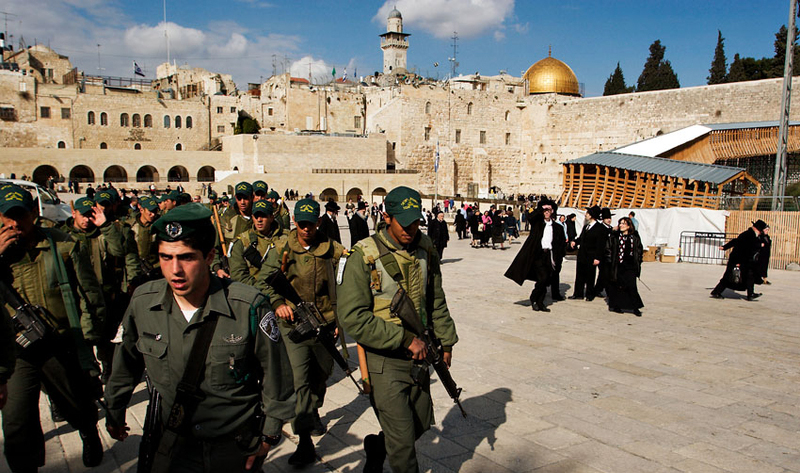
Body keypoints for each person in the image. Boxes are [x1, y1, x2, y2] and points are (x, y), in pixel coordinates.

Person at [104, 203, 295, 473]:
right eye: (165, 258)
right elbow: (127, 362)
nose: (175, 270)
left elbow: (277, 374)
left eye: (186, 257)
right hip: (172, 444)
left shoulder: (247, 306)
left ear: (208, 257)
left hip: (233, 448)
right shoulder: (144, 302)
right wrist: (115, 407)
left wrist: (269, 436)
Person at [337, 186, 458, 473]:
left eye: (415, 221)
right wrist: (403, 339)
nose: (411, 228)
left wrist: (447, 342)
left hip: (420, 355)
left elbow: (435, 299)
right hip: (384, 358)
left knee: (419, 422)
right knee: (403, 445)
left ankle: (379, 447)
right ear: (387, 217)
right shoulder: (363, 256)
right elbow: (352, 317)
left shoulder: (425, 248)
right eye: (404, 222)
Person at [0, 185, 106, 471]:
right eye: (6, 217)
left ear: (35, 213)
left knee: (76, 404)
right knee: (16, 420)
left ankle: (88, 430)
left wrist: (88, 340)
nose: (13, 224)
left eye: (20, 215)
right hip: (17, 351)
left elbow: (90, 295)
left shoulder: (62, 245)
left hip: (58, 343)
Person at [255, 198, 345, 466]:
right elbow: (263, 280)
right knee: (301, 380)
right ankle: (304, 439)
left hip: (325, 324)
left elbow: (348, 273)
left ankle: (312, 410)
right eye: (301, 224)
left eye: (311, 224)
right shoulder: (283, 247)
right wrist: (279, 303)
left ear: (319, 222)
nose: (306, 229)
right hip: (295, 326)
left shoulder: (330, 248)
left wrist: (341, 317)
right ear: (295, 222)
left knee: (322, 374)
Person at [504, 198, 566, 312]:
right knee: (543, 278)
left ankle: (540, 302)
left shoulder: (557, 227)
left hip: (550, 256)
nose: (547, 212)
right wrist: (540, 208)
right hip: (538, 255)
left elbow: (561, 244)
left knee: (546, 280)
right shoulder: (537, 224)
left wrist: (560, 257)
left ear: (552, 212)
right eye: (545, 211)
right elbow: (530, 217)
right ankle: (534, 298)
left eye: (549, 210)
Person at [229, 200, 286, 287]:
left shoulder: (286, 238)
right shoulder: (243, 242)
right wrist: (262, 288)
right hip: (255, 293)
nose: (259, 220)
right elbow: (238, 275)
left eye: (263, 216)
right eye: (256, 216)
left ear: (271, 217)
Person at [710, 220, 766, 301]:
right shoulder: (748, 235)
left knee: (749, 276)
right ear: (758, 229)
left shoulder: (752, 235)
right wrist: (737, 262)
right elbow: (739, 246)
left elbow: (737, 242)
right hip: (737, 259)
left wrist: (725, 247)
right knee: (728, 277)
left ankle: (751, 294)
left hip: (744, 261)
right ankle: (716, 292)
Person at [604, 217, 644, 316]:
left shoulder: (634, 237)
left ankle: (635, 307)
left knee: (632, 286)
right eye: (620, 223)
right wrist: (611, 261)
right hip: (618, 265)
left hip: (630, 266)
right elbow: (608, 249)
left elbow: (639, 250)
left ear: (629, 226)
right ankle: (616, 306)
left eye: (623, 224)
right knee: (617, 286)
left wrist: (638, 261)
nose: (621, 225)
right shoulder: (615, 236)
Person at [570, 206, 605, 301]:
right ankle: (578, 293)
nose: (586, 215)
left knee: (590, 275)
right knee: (579, 275)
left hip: (591, 255)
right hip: (582, 254)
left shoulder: (600, 228)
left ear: (592, 215)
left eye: (587, 213)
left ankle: (589, 294)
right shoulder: (586, 226)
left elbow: (600, 245)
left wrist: (597, 257)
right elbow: (581, 238)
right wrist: (575, 242)